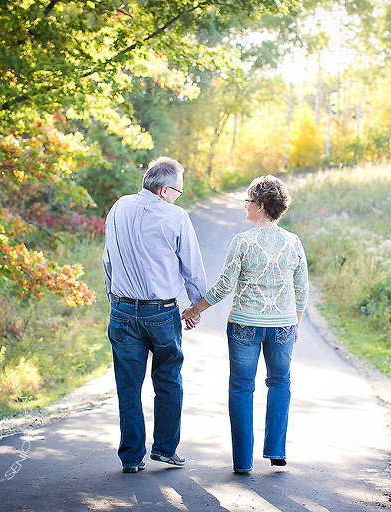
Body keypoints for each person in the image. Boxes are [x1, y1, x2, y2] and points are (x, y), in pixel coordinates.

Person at [182, 175, 309, 475]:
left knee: (241, 388)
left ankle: (243, 462)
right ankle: (276, 452)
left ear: (261, 206)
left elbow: (225, 285)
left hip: (244, 325)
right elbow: (301, 289)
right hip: (282, 325)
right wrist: (297, 324)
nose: (245, 206)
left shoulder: (243, 241)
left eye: (248, 201)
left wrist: (195, 309)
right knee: (280, 384)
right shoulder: (293, 242)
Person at [103, 156, 206, 474]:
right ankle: (164, 449)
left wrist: (114, 300)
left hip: (122, 310)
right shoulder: (176, 217)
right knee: (168, 380)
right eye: (179, 190)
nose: (179, 196)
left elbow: (108, 259)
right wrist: (196, 306)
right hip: (161, 313)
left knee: (128, 386)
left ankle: (131, 458)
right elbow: (192, 266)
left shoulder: (119, 207)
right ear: (164, 190)